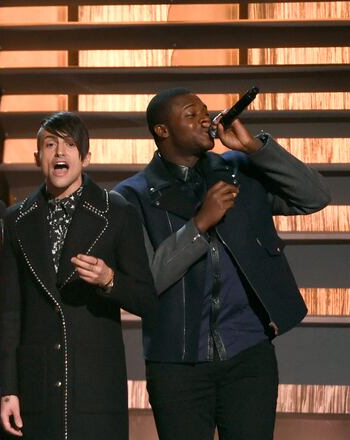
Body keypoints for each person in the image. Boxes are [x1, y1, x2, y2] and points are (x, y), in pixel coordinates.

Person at [114, 88, 331, 440]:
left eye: (205, 110)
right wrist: (199, 225)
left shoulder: (241, 171)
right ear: (162, 130)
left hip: (248, 355)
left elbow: (315, 197)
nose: (205, 117)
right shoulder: (131, 196)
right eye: (190, 113)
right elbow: (146, 281)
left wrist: (255, 148)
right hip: (176, 364)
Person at [0, 112, 157, 439]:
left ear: (85, 157)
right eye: (50, 144)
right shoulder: (16, 220)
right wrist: (9, 389)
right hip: (37, 382)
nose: (59, 152)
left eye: (69, 145)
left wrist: (109, 280)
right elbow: (10, 314)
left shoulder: (117, 212)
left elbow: (146, 298)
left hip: (94, 380)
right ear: (37, 157)